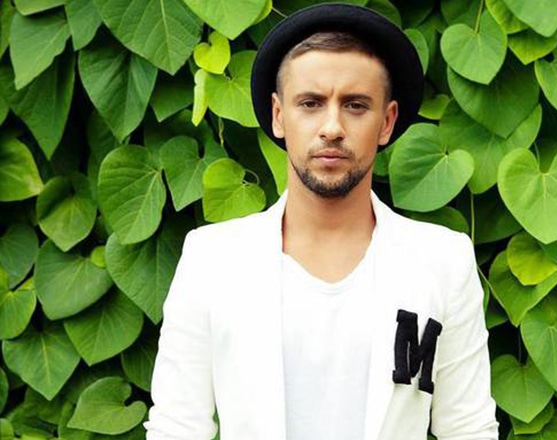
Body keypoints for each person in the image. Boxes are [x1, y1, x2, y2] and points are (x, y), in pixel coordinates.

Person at [145, 4, 498, 440]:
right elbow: (176, 428)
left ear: (387, 122)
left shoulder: (442, 261)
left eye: (355, 105)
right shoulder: (212, 259)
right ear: (278, 116)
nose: (332, 127)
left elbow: (469, 428)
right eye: (310, 103)